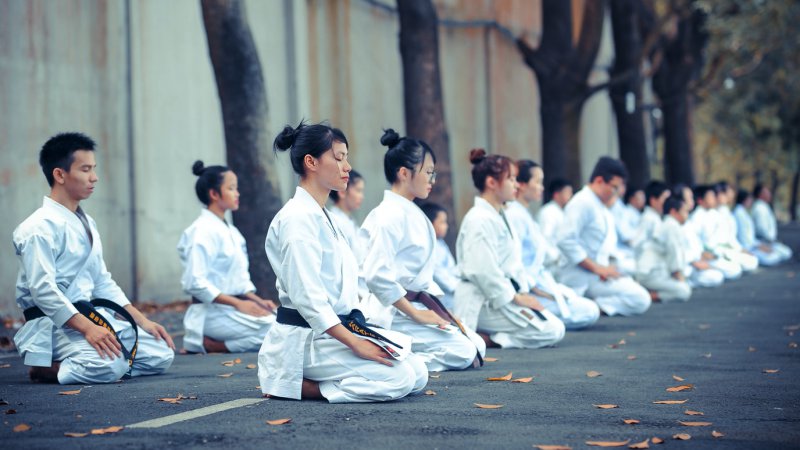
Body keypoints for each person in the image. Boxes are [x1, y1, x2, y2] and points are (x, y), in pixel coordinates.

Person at [258, 122, 427, 403]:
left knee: (418, 373)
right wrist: (355, 344)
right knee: (400, 378)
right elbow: (308, 299)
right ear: (310, 162)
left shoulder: (322, 215)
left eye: (346, 158)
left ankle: (327, 377)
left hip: (335, 332)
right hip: (308, 339)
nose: (347, 166)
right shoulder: (297, 220)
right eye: (338, 158)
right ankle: (296, 384)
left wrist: (361, 334)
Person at [13, 132, 174, 384]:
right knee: (111, 365)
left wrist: (142, 321)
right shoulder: (37, 228)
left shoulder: (86, 222)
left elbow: (102, 281)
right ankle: (46, 369)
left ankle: (98, 365)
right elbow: (42, 290)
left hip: (91, 316)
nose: (94, 178)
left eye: (94, 169)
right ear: (59, 174)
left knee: (161, 354)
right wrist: (87, 328)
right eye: (86, 169)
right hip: (56, 325)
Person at [359, 130, 484, 372]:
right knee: (465, 351)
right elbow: (376, 276)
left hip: (416, 304)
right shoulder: (388, 215)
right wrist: (416, 315)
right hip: (395, 311)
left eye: (433, 173)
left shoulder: (409, 211)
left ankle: (405, 355)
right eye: (428, 172)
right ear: (404, 173)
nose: (432, 179)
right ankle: (400, 362)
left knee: (476, 345)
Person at [454, 149, 566, 349]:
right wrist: (516, 297)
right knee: (552, 330)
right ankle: (487, 339)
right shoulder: (479, 219)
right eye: (511, 179)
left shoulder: (499, 215)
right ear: (491, 183)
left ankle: (488, 337)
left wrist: (522, 293)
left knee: (555, 326)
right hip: (482, 301)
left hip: (501, 295)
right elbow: (482, 271)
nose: (516, 185)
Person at [178, 161, 276, 354]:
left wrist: (256, 301)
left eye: (236, 188)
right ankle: (214, 345)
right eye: (231, 188)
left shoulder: (232, 231)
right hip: (211, 313)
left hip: (231, 310)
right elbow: (195, 283)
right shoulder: (201, 231)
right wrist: (239, 304)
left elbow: (237, 281)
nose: (237, 193)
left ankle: (217, 344)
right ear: (214, 194)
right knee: (277, 330)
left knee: (286, 322)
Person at [505, 159, 600, 329]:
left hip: (540, 280)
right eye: (538, 182)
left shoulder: (523, 214)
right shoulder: (515, 216)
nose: (542, 187)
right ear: (522, 184)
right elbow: (514, 263)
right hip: (526, 288)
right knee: (587, 311)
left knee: (588, 309)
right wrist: (534, 290)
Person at [556, 157, 651, 317]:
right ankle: (587, 306)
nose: (616, 193)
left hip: (597, 275)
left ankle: (591, 307)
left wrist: (606, 268)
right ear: (599, 181)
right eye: (614, 187)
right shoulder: (582, 202)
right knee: (640, 298)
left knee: (639, 295)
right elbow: (565, 240)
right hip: (581, 277)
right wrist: (598, 268)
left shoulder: (599, 205)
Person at [635, 196, 692, 302]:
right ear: (674, 212)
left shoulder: (669, 224)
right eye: (685, 212)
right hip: (650, 273)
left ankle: (645, 293)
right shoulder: (671, 226)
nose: (687, 216)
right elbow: (674, 253)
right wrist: (679, 277)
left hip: (655, 272)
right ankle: (648, 296)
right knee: (684, 291)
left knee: (685, 284)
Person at [690, 185, 756, 275]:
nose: (714, 199)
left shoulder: (713, 213)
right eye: (711, 196)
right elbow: (697, 241)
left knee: (750, 262)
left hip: (719, 251)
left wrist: (740, 249)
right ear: (701, 200)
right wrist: (702, 253)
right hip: (708, 254)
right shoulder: (696, 217)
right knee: (734, 270)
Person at [673, 184, 726, 287]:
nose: (692, 201)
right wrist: (695, 261)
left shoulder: (687, 221)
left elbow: (696, 245)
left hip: (700, 258)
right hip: (688, 265)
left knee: (719, 273)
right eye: (689, 198)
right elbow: (680, 251)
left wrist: (702, 255)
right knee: (717, 276)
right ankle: (687, 282)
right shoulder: (679, 223)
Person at [421, 203, 459, 311]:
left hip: (454, 294)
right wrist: (458, 288)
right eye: (442, 222)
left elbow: (452, 268)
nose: (446, 226)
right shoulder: (428, 247)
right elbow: (439, 275)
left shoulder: (441, 243)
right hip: (443, 299)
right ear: (430, 224)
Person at [733, 189, 784, 266]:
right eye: (749, 199)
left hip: (753, 244)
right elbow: (743, 237)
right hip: (748, 247)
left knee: (776, 254)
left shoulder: (743, 212)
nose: (751, 201)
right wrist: (757, 246)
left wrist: (760, 245)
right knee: (772, 257)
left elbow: (749, 236)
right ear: (745, 199)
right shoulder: (739, 213)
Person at [751, 184, 793, 263]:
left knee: (786, 253)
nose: (769, 194)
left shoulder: (764, 206)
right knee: (779, 255)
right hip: (764, 241)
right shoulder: (759, 208)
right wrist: (771, 240)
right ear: (761, 194)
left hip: (769, 241)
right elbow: (761, 229)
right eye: (767, 192)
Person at [328, 169, 365, 254]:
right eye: (358, 190)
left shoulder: (348, 220)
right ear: (342, 192)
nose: (362, 196)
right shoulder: (336, 222)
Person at [630, 181, 671, 250]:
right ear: (653, 200)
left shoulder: (656, 217)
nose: (669, 203)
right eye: (665, 199)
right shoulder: (649, 218)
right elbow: (637, 243)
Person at [537, 177, 573, 244]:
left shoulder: (562, 211)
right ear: (556, 194)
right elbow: (545, 238)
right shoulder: (548, 212)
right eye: (567, 192)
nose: (570, 196)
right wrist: (555, 254)